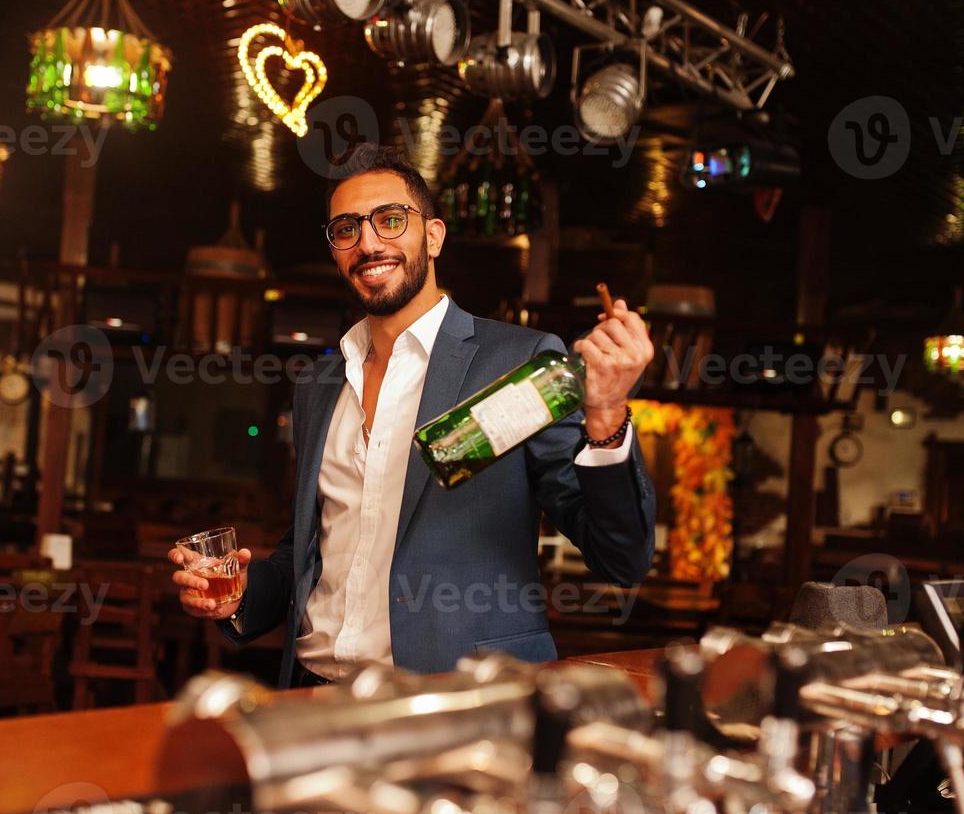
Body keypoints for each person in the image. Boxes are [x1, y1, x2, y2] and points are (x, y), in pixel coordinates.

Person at [170, 144, 656, 688]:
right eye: (346, 229)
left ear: (434, 234)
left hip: (459, 703)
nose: (369, 242)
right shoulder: (319, 385)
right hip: (315, 695)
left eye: (390, 219)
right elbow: (315, 548)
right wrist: (242, 592)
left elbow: (621, 558)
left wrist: (608, 414)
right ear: (335, 251)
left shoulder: (519, 363)